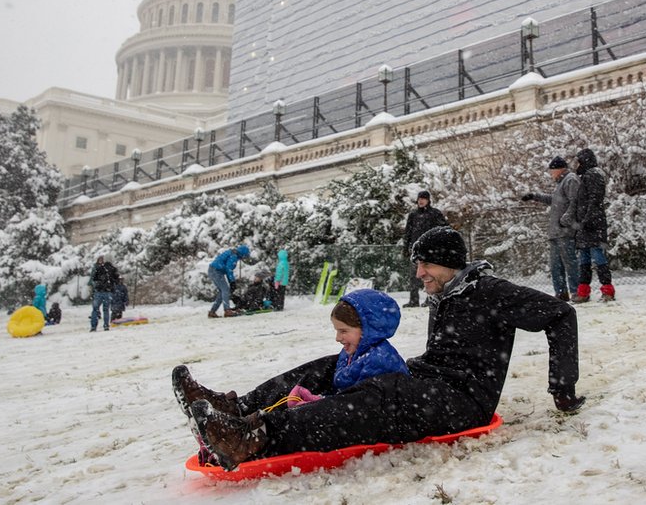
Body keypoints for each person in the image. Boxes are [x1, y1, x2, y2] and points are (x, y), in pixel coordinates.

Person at [172, 225, 584, 472]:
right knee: (337, 364)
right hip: (429, 380)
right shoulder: (449, 292)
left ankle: (255, 438)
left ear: (447, 262)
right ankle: (237, 409)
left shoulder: (491, 292)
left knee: (376, 399)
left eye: (425, 265)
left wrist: (562, 387)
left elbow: (560, 314)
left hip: (463, 399)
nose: (419, 273)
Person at [521, 155, 580, 302]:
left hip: (565, 231)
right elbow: (554, 200)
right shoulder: (560, 183)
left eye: (551, 171)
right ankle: (561, 293)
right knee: (556, 266)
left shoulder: (570, 180)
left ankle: (576, 291)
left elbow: (575, 202)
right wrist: (534, 196)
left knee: (570, 263)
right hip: (555, 233)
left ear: (559, 169)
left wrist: (565, 220)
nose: (550, 174)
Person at [573, 148, 615, 302]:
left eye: (578, 162)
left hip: (592, 225)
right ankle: (583, 291)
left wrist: (587, 220)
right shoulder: (586, 177)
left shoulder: (592, 176)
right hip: (586, 225)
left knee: (597, 258)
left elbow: (594, 200)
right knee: (584, 260)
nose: (576, 165)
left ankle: (607, 290)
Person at [401, 190, 448, 307]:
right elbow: (408, 232)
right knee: (414, 276)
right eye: (419, 198)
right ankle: (413, 300)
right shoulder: (413, 215)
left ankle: (430, 299)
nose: (421, 201)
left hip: (430, 250)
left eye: (423, 198)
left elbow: (444, 229)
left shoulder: (435, 213)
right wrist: (405, 247)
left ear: (428, 200)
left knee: (429, 275)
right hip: (415, 249)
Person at [208, 244, 250, 318]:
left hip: (213, 270)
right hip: (216, 271)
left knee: (222, 291)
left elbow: (227, 269)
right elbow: (229, 269)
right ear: (242, 254)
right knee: (225, 290)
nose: (244, 258)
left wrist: (231, 281)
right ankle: (227, 310)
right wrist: (232, 282)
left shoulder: (233, 253)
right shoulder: (234, 256)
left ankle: (212, 312)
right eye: (245, 256)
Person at [89, 255, 120, 332]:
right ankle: (106, 326)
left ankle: (93, 326)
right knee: (106, 310)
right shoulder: (113, 269)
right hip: (108, 292)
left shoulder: (99, 268)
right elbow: (117, 280)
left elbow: (93, 279)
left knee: (95, 309)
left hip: (99, 291)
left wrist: (96, 286)